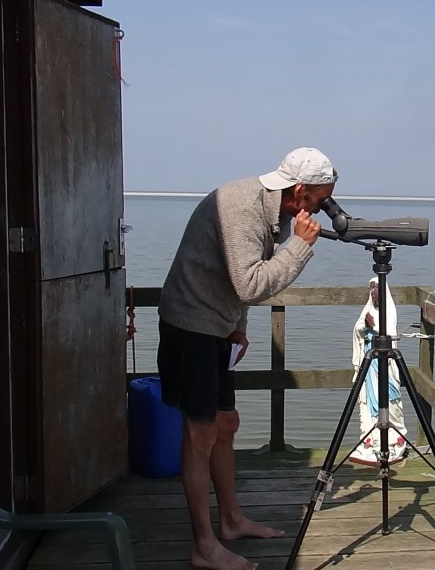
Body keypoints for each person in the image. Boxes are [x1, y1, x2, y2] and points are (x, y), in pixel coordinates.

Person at [156, 147, 336, 570]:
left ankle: (232, 520)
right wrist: (298, 248)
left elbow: (237, 279)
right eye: (317, 200)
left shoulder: (274, 209)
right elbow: (250, 283)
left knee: (225, 423)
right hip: (189, 325)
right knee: (200, 435)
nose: (320, 211)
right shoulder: (241, 208)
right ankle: (203, 545)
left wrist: (238, 324)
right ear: (298, 191)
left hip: (217, 323)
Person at [349, 276, 408, 466]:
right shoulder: (367, 310)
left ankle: (394, 442)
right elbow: (357, 330)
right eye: (371, 288)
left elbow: (389, 333)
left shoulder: (389, 312)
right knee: (367, 403)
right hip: (368, 364)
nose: (373, 292)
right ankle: (370, 443)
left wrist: (374, 326)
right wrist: (364, 325)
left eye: (376, 288)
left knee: (390, 400)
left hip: (384, 366)